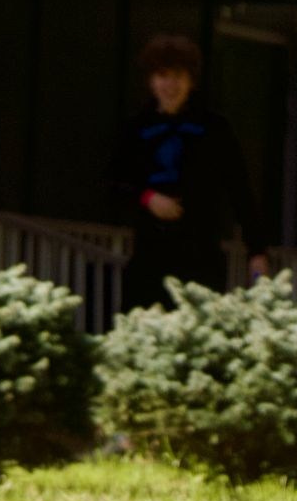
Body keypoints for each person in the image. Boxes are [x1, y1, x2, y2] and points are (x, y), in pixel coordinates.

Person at [109, 35, 266, 308]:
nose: (170, 85)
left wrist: (257, 249)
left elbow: (240, 188)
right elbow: (113, 181)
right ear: (151, 81)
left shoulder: (214, 127)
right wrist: (147, 198)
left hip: (201, 251)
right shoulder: (135, 128)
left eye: (178, 76)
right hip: (150, 251)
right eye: (162, 76)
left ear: (191, 80)